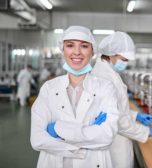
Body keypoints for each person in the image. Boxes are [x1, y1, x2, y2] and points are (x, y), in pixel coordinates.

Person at [30, 26, 120, 168]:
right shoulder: (49, 88)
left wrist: (58, 129)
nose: (77, 52)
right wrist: (88, 133)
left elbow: (107, 136)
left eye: (84, 46)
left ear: (92, 52)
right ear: (63, 50)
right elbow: (37, 139)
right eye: (70, 45)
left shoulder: (106, 88)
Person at [92, 31, 152, 168]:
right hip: (113, 146)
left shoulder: (109, 72)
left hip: (118, 141)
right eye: (124, 59)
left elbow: (116, 110)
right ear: (111, 54)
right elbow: (118, 121)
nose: (125, 63)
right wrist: (149, 132)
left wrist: (135, 115)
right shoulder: (103, 77)